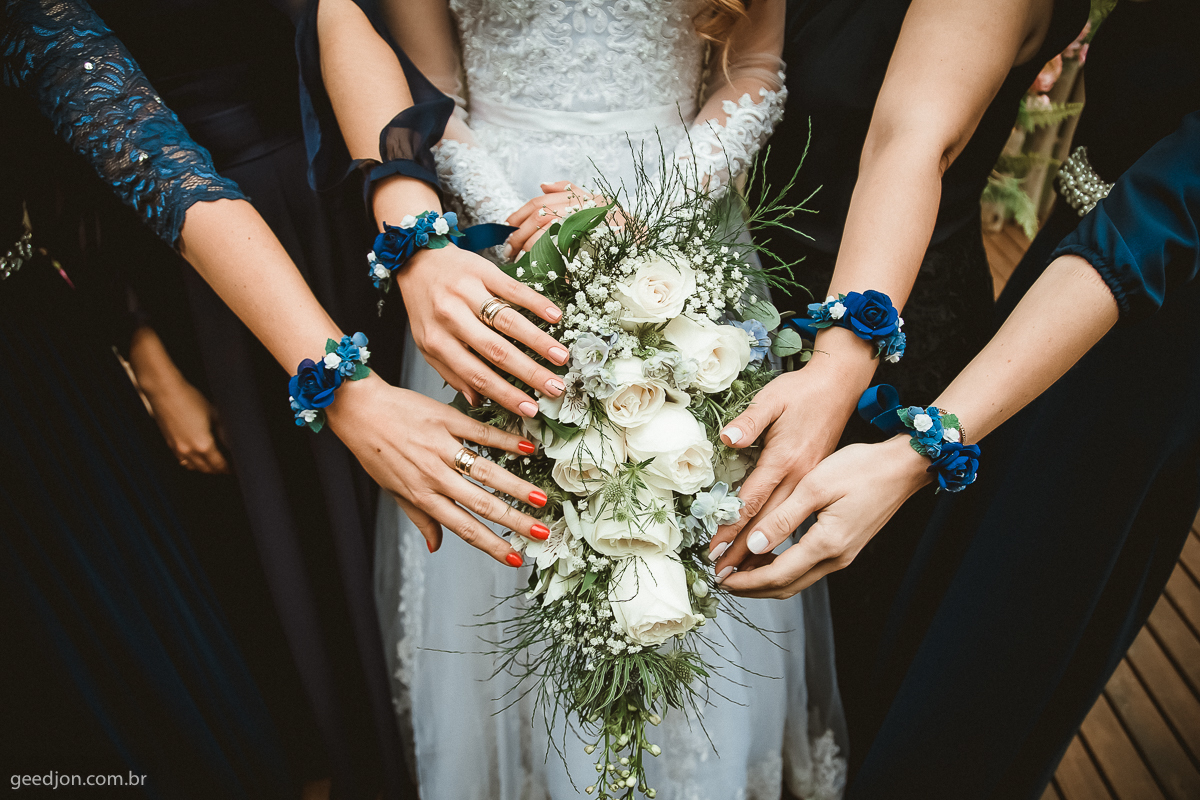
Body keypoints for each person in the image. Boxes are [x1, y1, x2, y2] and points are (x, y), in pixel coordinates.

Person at [0, 0, 549, 794]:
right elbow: (130, 150)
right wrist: (341, 387)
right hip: (200, 267)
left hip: (335, 188)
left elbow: (331, 15)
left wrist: (413, 235)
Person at [313, 1, 849, 798]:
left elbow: (754, 69)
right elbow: (430, 89)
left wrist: (653, 210)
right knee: (523, 516)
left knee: (683, 493)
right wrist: (519, 225)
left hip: (679, 220)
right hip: (496, 246)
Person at [707, 0, 1089, 755]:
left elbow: (910, 140)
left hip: (891, 345)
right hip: (754, 291)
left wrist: (839, 365)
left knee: (829, 617)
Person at [78, 1, 416, 794]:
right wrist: (144, 348)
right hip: (191, 263)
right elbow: (69, 148)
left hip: (342, 199)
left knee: (392, 490)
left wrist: (408, 214)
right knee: (289, 529)